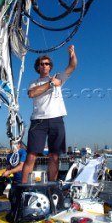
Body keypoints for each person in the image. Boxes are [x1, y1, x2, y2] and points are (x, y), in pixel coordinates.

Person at [22, 45, 77, 183]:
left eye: (47, 64)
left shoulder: (59, 77)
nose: (45, 66)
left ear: (50, 66)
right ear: (38, 67)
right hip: (38, 121)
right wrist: (51, 84)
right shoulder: (34, 82)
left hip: (56, 120)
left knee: (54, 156)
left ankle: (52, 185)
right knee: (30, 156)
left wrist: (72, 55)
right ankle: (22, 188)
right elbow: (32, 93)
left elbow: (72, 67)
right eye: (42, 64)